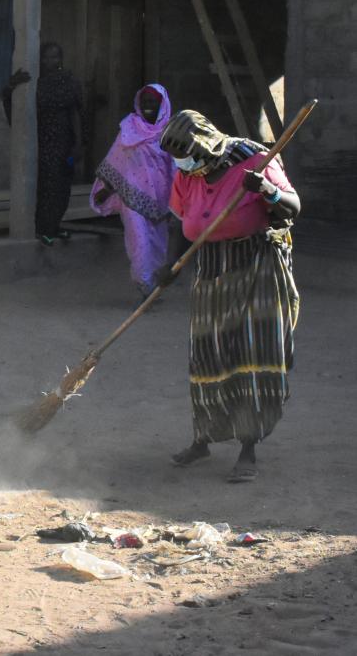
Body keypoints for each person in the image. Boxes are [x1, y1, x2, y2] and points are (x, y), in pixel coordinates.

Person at [161, 110, 300, 485]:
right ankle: (202, 440)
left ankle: (248, 449)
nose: (183, 165)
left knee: (250, 356)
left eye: (187, 157)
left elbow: (292, 208)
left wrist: (266, 190)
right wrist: (170, 266)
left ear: (205, 146)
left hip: (256, 265)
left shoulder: (255, 160)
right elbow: (183, 223)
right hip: (211, 267)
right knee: (207, 354)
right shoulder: (188, 174)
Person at [90, 84, 175, 294]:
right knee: (139, 242)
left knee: (157, 244)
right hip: (131, 197)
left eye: (153, 102)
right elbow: (117, 159)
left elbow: (175, 167)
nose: (148, 106)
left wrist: (178, 201)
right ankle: (144, 285)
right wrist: (107, 188)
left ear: (162, 105)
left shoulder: (170, 132)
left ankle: (154, 283)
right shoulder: (129, 128)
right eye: (144, 102)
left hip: (160, 199)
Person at [3, 42, 84, 245]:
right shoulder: (34, 81)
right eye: (46, 57)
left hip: (64, 140)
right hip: (42, 141)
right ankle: (42, 228)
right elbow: (14, 102)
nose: (50, 61)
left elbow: (75, 113)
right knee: (46, 184)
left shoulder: (69, 81)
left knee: (62, 185)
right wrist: (11, 86)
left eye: (55, 57)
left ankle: (54, 226)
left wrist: (79, 142)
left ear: (61, 58)